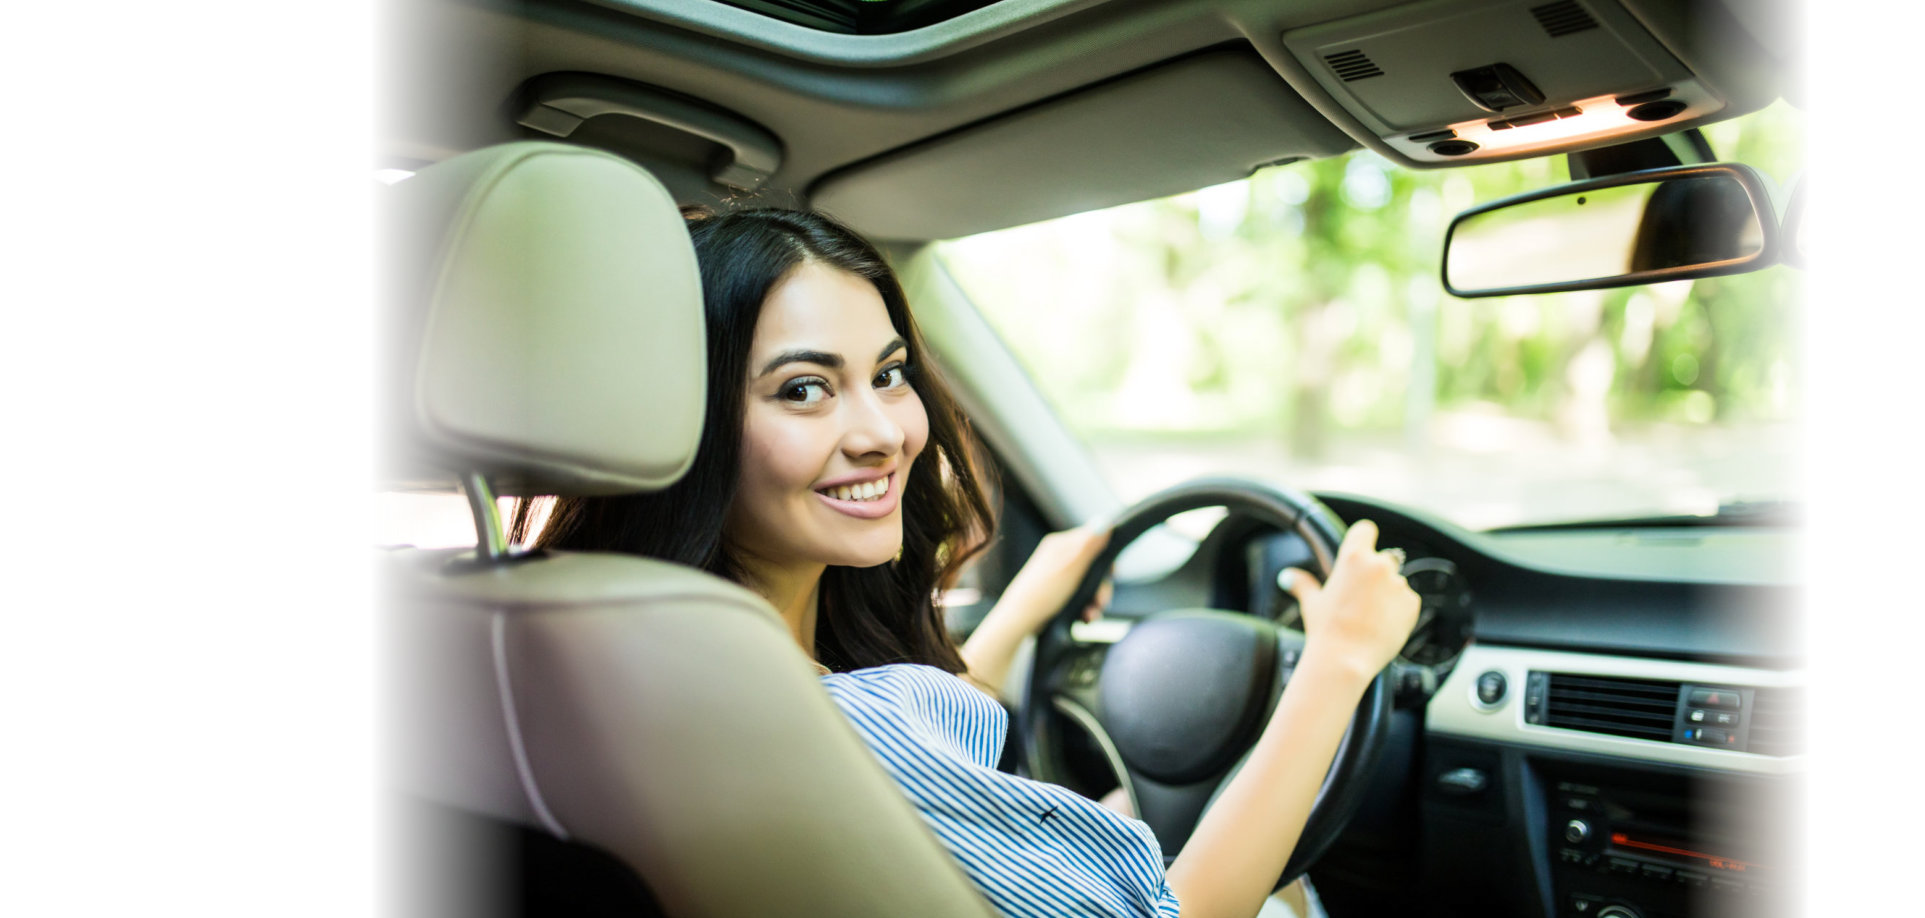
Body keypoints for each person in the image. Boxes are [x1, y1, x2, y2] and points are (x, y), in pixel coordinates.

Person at [512, 207, 1420, 918]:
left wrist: (1023, 608)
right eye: (803, 389)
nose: (881, 435)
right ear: (686, 420)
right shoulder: (827, 727)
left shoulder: (571, 661)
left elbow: (884, 763)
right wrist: (1339, 659)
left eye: (889, 373)